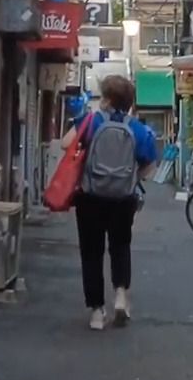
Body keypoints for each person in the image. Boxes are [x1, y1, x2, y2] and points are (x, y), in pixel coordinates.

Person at [61, 74, 157, 331]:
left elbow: (65, 143)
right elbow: (150, 165)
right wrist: (132, 179)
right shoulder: (138, 129)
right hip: (123, 199)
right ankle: (121, 297)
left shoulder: (91, 121)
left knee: (91, 252)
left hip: (90, 196)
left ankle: (96, 312)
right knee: (120, 246)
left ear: (106, 98)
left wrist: (87, 119)